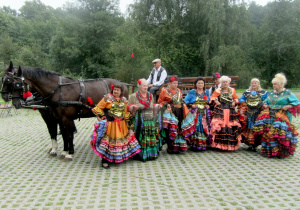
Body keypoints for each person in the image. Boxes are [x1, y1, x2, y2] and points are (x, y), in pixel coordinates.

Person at [90, 83, 141, 169]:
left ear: (121, 91)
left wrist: (128, 120)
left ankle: (130, 155)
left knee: (124, 141)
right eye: (115, 89)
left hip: (122, 124)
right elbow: (98, 107)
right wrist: (102, 117)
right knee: (108, 142)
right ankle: (105, 160)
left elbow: (125, 111)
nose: (116, 91)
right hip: (111, 125)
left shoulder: (124, 100)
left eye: (118, 90)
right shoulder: (107, 98)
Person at [253, 73, 300, 158]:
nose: (273, 86)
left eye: (275, 84)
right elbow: (266, 102)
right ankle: (271, 151)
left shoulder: (287, 93)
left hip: (283, 117)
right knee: (271, 133)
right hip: (271, 116)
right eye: (273, 84)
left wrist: (288, 106)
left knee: (281, 134)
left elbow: (296, 102)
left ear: (281, 84)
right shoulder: (271, 93)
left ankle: (282, 152)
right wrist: (265, 105)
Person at [158, 76, 195, 154]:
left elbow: (181, 99)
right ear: (169, 83)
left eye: (176, 83)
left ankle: (179, 147)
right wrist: (166, 104)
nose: (176, 85)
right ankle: (171, 147)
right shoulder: (164, 91)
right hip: (170, 112)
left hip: (180, 111)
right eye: (174, 83)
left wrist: (184, 104)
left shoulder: (178, 90)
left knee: (180, 128)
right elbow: (160, 101)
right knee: (172, 129)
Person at [127, 79, 161, 161]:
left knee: (150, 134)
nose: (145, 87)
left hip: (150, 119)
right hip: (139, 120)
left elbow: (152, 106)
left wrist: (157, 106)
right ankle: (140, 154)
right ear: (139, 86)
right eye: (144, 86)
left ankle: (151, 154)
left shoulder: (150, 95)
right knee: (141, 135)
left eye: (146, 85)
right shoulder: (133, 96)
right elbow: (128, 107)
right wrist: (133, 107)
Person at [209, 76, 242, 151]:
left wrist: (234, 101)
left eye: (226, 82)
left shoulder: (232, 90)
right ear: (221, 83)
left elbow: (236, 98)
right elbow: (212, 97)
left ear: (228, 82)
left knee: (230, 126)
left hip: (230, 110)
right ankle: (219, 145)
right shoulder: (218, 90)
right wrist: (216, 101)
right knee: (221, 125)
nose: (225, 83)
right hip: (221, 110)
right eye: (223, 82)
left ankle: (229, 145)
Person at [238, 78, 268, 151]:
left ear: (258, 84)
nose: (254, 84)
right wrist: (243, 103)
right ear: (250, 84)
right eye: (252, 83)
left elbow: (267, 100)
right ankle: (250, 144)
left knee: (257, 127)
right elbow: (241, 99)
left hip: (258, 112)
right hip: (249, 112)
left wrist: (264, 104)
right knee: (249, 127)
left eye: (255, 83)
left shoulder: (263, 92)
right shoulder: (247, 92)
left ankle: (256, 144)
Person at [184, 77, 211, 151]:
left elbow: (209, 100)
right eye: (198, 83)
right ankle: (195, 144)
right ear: (196, 84)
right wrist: (191, 105)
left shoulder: (206, 92)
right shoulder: (192, 92)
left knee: (204, 126)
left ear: (204, 84)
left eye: (202, 83)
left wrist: (208, 104)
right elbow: (185, 100)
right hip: (195, 112)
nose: (200, 84)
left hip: (204, 112)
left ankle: (203, 144)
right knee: (196, 125)